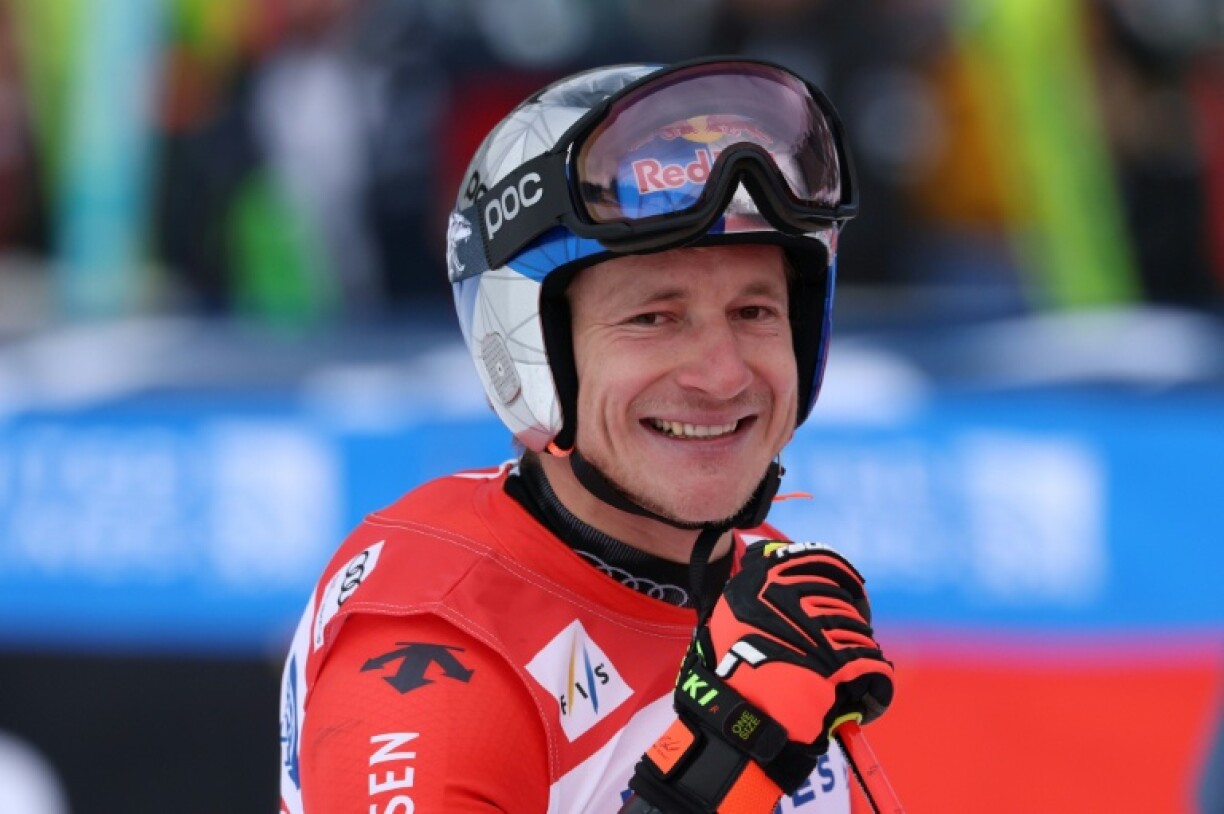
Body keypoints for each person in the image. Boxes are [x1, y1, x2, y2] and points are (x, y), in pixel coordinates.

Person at [278, 57, 895, 814]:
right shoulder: (439, 645)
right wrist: (720, 767)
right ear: (533, 347)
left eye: (755, 312)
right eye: (653, 318)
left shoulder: (751, 582)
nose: (723, 374)